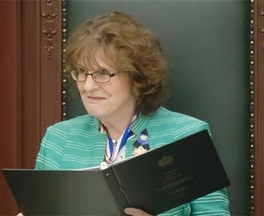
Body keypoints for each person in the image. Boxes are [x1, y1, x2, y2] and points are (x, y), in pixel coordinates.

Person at [34, 11, 230, 216]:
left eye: (103, 73)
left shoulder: (187, 135)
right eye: (81, 73)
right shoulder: (58, 139)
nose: (88, 86)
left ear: (137, 78)